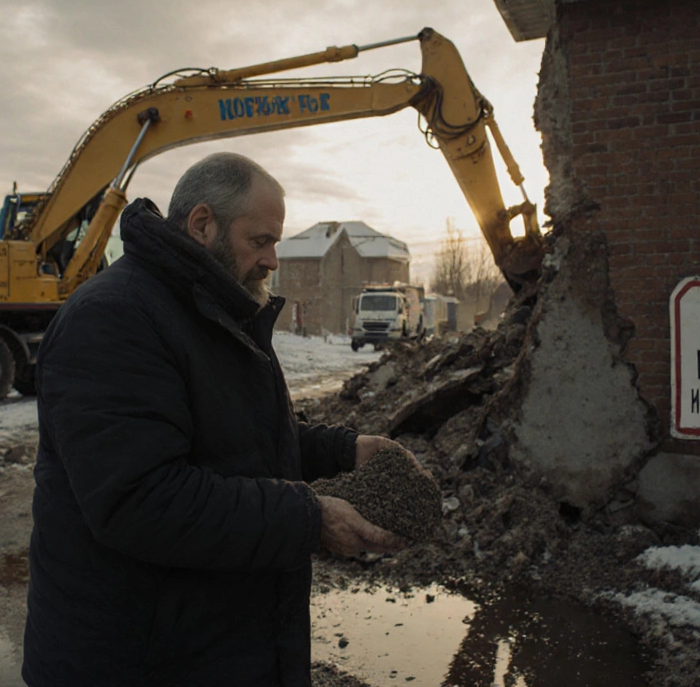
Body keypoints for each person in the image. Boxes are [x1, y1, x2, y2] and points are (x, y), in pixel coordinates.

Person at [22, 152, 409, 686]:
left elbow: (237, 437)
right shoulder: (115, 318)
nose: (274, 259)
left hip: (207, 648)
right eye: (260, 241)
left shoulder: (214, 308)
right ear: (203, 224)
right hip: (135, 661)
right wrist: (310, 520)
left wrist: (346, 451)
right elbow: (140, 500)